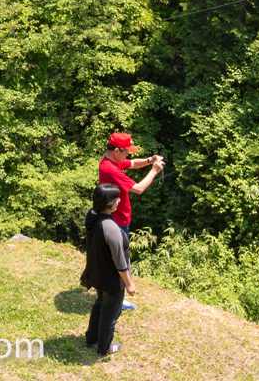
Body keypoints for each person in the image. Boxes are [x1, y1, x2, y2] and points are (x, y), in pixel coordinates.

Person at [97, 132, 164, 310]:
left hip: (115, 218)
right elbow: (139, 189)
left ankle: (115, 294)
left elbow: (133, 163)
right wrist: (154, 170)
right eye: (126, 151)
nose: (129, 155)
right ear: (117, 151)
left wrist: (149, 160)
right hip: (118, 221)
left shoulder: (109, 162)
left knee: (117, 258)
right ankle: (118, 298)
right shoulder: (112, 170)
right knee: (120, 259)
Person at [81, 182, 133, 355]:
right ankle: (104, 347)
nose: (119, 201)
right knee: (110, 314)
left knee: (100, 304)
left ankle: (91, 339)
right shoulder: (110, 228)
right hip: (111, 279)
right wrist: (129, 284)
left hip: (97, 272)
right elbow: (119, 261)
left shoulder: (92, 215)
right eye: (116, 198)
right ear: (108, 203)